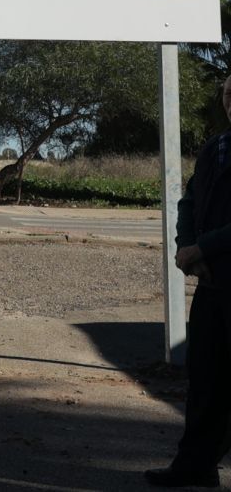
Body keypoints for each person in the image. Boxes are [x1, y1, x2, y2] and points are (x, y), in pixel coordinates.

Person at [146, 76, 231, 488]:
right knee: (205, 382)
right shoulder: (216, 147)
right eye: (230, 94)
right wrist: (186, 247)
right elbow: (190, 201)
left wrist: (205, 247)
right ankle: (195, 467)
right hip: (213, 287)